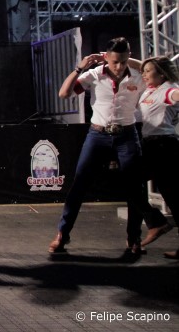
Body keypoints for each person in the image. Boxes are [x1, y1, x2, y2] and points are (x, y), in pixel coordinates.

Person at [49, 37, 170, 255]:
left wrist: (129, 61)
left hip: (127, 135)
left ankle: (134, 239)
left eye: (123, 61)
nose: (119, 66)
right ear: (106, 58)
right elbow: (64, 93)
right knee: (79, 184)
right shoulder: (95, 75)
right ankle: (62, 234)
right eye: (115, 62)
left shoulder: (138, 76)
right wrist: (79, 68)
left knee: (135, 187)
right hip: (98, 135)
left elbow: (151, 69)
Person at [136, 56, 178, 257]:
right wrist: (106, 58)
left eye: (148, 71)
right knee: (132, 183)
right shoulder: (150, 89)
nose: (143, 75)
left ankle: (157, 223)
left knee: (173, 196)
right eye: (143, 71)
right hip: (149, 145)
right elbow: (140, 66)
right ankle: (156, 222)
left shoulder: (168, 90)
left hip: (164, 146)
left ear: (161, 73)